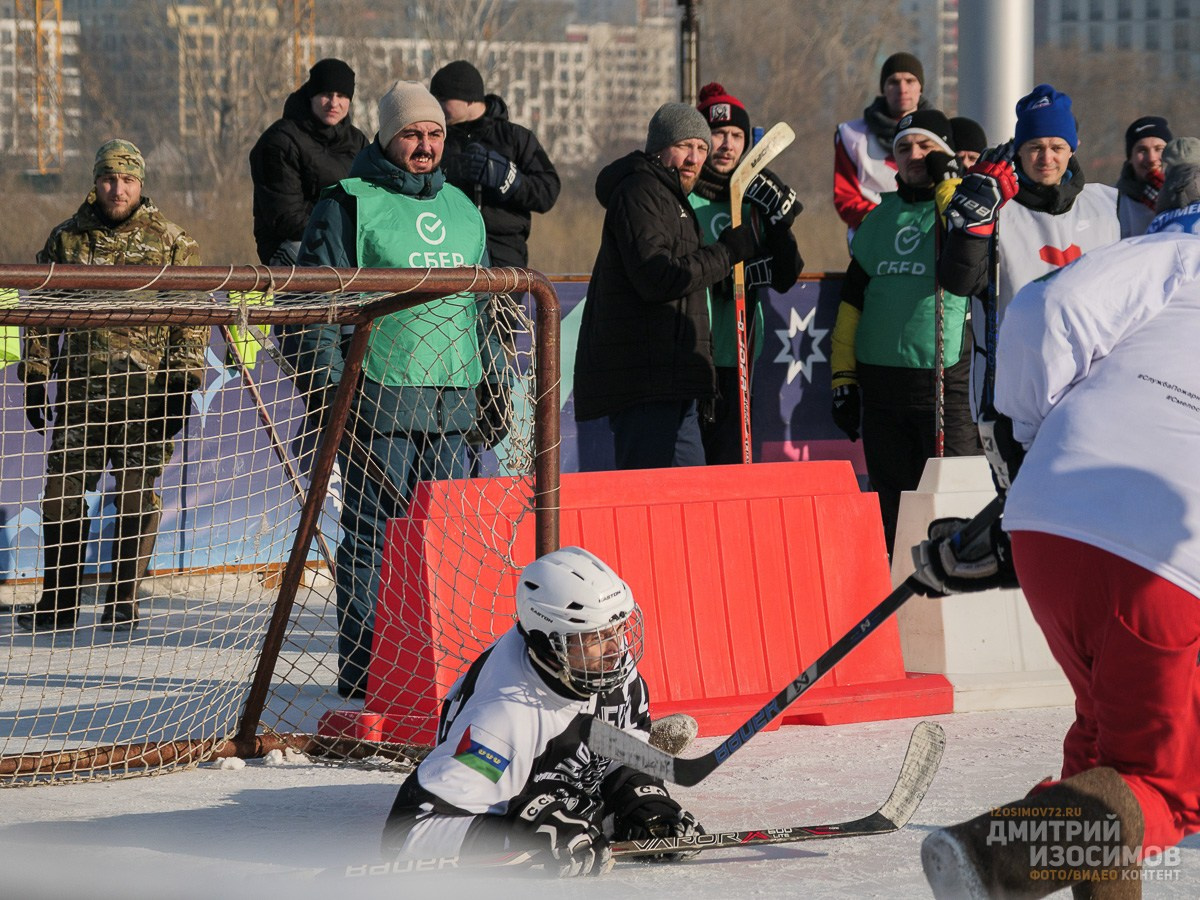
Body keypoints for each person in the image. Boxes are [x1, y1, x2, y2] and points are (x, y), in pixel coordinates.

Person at [913, 151, 1200, 895]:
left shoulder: (1159, 257)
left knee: (1106, 754)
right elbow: (1044, 308)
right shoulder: (1181, 253)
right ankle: (996, 856)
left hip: (1050, 526)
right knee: (1162, 786)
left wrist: (1034, 449)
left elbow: (1048, 316)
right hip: (1156, 557)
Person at [282, 81, 493, 699]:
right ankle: (367, 666)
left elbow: (483, 311)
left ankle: (445, 660)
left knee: (448, 537)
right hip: (379, 397)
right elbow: (320, 305)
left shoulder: (464, 206)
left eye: (434, 134)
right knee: (375, 531)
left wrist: (494, 392)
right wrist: (328, 393)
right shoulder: (350, 202)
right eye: (411, 134)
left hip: (453, 400)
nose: (424, 145)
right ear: (385, 137)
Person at [381, 545, 703, 875]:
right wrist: (517, 836)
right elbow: (408, 832)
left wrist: (641, 795)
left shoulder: (605, 665)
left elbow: (618, 755)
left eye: (618, 629)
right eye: (595, 636)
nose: (615, 649)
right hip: (505, 782)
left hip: (558, 774)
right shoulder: (499, 721)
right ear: (550, 643)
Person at [18, 140, 205, 632]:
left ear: (141, 183)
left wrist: (182, 383)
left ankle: (123, 599)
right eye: (107, 178)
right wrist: (37, 376)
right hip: (81, 398)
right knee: (60, 493)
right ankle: (57, 602)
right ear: (95, 181)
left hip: (145, 399)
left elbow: (193, 319)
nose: (116, 188)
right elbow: (39, 310)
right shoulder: (66, 240)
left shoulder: (172, 241)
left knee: (138, 493)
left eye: (126, 180)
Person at [573, 102, 761, 470]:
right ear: (659, 147)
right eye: (684, 145)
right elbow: (657, 278)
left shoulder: (672, 199)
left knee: (688, 499)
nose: (694, 158)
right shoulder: (640, 191)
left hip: (675, 381)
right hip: (646, 383)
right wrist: (726, 253)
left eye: (702, 148)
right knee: (647, 502)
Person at [829, 110, 975, 556]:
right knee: (892, 509)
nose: (914, 156)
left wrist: (950, 184)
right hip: (881, 386)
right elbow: (853, 304)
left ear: (947, 154)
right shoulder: (880, 216)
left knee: (952, 503)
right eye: (904, 148)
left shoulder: (963, 208)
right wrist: (843, 379)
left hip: (940, 381)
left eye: (926, 146)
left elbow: (969, 244)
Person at [936, 83, 1121, 418]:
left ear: (1073, 149)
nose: (1046, 158)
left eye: (1056, 147)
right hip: (1014, 388)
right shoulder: (995, 206)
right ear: (1018, 150)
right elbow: (959, 282)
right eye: (1035, 146)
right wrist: (970, 231)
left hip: (1093, 388)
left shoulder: (1109, 204)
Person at [689, 82, 803, 464]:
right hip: (687, 355)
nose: (727, 145)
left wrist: (779, 223)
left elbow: (787, 275)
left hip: (737, 355)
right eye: (717, 134)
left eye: (736, 135)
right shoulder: (682, 196)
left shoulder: (754, 201)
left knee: (730, 462)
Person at [430, 59, 561, 271]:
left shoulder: (515, 137)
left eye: (443, 99)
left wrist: (509, 179)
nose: (437, 106)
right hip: (447, 248)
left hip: (504, 251)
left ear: (469, 99)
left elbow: (548, 191)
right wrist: (451, 171)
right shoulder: (437, 139)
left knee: (502, 305)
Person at [249, 58, 368, 265]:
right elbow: (287, 217)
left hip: (345, 239)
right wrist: (339, 235)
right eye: (326, 95)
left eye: (341, 96)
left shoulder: (358, 141)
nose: (334, 103)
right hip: (290, 243)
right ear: (312, 96)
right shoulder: (280, 141)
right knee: (325, 271)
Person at [834, 52, 927, 238]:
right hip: (871, 236)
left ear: (921, 87)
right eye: (893, 82)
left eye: (910, 80)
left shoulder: (942, 135)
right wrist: (886, 221)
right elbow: (846, 196)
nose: (902, 89)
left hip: (926, 234)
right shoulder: (851, 135)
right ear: (883, 88)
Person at [1116, 115, 1173, 238]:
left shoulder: (1190, 196)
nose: (1152, 158)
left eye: (1159, 149)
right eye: (1142, 150)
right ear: (1130, 157)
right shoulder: (1116, 203)